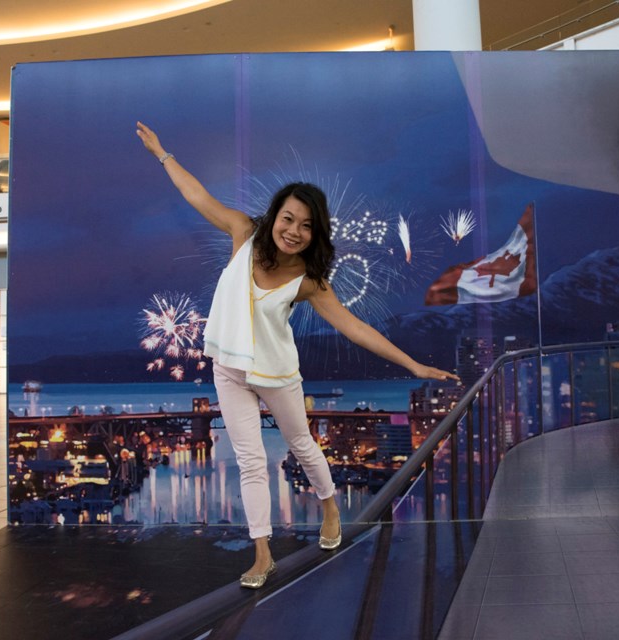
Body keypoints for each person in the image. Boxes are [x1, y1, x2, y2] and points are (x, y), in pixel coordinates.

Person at [136, 122, 458, 589]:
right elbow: (197, 196)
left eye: (307, 226)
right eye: (289, 218)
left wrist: (412, 365)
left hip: (277, 374)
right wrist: (162, 153)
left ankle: (329, 505)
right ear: (275, 215)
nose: (295, 231)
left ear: (315, 233)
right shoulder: (243, 233)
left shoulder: (309, 279)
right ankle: (262, 554)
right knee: (249, 461)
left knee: (304, 447)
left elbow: (355, 327)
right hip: (228, 368)